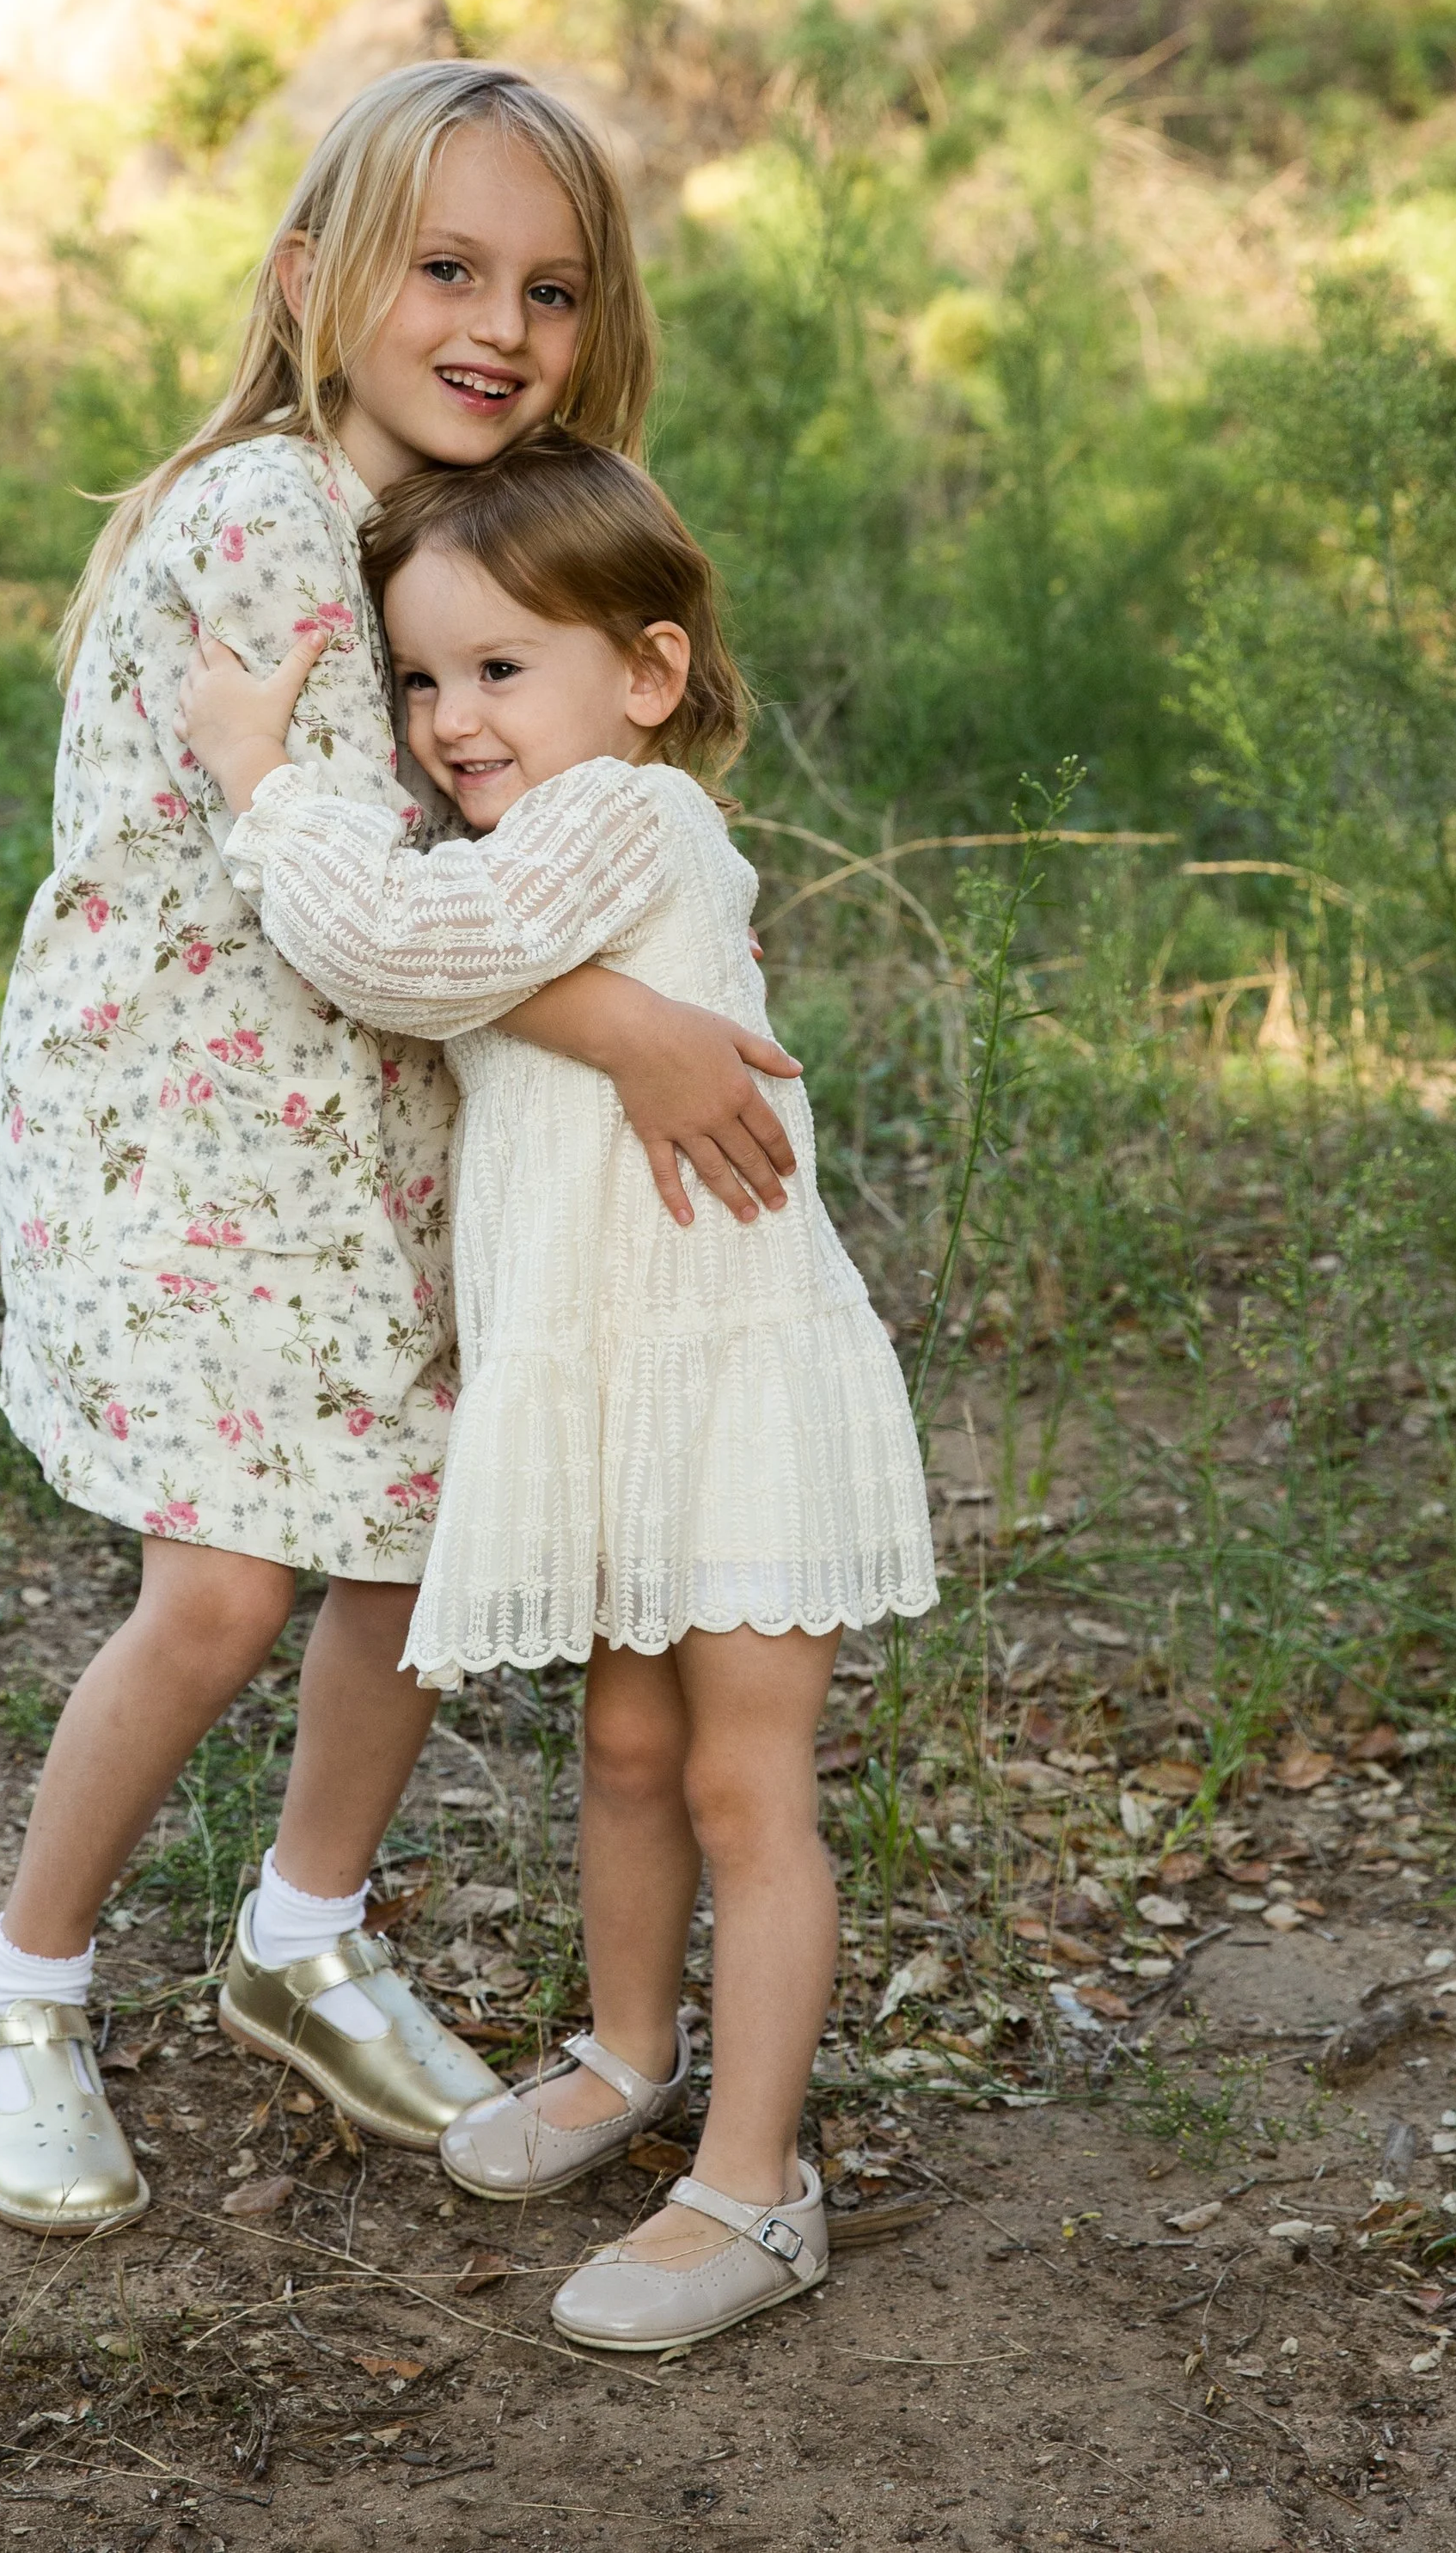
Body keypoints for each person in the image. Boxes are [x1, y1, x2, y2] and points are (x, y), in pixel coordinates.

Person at [0, 62, 812, 2237]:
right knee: (225, 1578)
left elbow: (514, 853)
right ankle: (13, 1991)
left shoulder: (453, 532)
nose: (496, 322)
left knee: (412, 1542)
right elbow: (352, 903)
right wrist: (635, 1036)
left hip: (386, 1129)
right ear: (316, 280)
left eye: (548, 285)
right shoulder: (257, 520)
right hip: (194, 1118)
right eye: (442, 268)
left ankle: (303, 1935)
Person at [178, 428, 935, 2350]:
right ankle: (622, 2051)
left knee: (744, 1787)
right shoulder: (525, 841)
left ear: (647, 676)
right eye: (418, 678)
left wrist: (263, 779)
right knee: (619, 1754)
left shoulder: (626, 820)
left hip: (728, 1389)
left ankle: (757, 2194)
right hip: (612, 1386)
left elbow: (398, 945)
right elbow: (443, 952)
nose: (445, 720)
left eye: (497, 668)